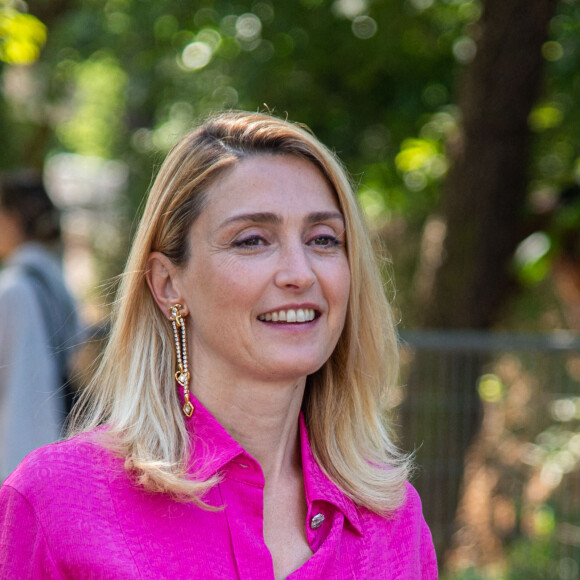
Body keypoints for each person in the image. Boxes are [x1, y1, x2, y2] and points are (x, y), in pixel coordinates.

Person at [0, 112, 437, 578]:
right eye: (252, 240)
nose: (300, 273)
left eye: (324, 239)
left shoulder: (393, 520)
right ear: (168, 284)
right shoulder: (58, 502)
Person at [0, 171, 81, 482]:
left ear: (12, 219)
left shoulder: (13, 288)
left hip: (14, 446)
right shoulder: (56, 282)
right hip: (55, 437)